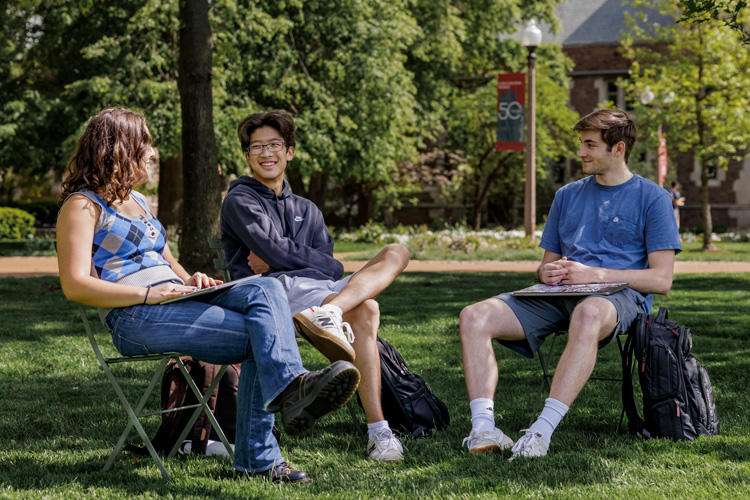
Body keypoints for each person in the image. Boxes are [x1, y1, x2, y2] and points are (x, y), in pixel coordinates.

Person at [56, 108, 361, 483]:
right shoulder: (82, 205)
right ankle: (265, 447)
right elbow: (74, 285)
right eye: (146, 143)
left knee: (265, 288)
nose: (152, 153)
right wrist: (147, 295)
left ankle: (289, 390)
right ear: (120, 147)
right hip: (134, 314)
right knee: (260, 333)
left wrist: (192, 278)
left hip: (179, 298)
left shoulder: (138, 201)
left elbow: (166, 261)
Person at [459, 109, 682, 459]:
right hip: (558, 294)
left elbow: (661, 279)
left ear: (618, 148)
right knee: (474, 316)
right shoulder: (567, 195)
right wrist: (543, 274)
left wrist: (596, 275)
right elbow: (546, 263)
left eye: (590, 145)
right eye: (581, 144)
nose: (581, 153)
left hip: (616, 298)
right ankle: (483, 430)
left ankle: (540, 432)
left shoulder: (653, 198)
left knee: (589, 313)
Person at [220, 111, 410, 462]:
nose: (266, 153)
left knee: (397, 252)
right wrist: (287, 259)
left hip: (322, 292)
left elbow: (326, 262)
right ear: (247, 156)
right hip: (271, 292)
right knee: (367, 309)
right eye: (256, 146)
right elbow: (277, 252)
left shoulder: (307, 209)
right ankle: (379, 431)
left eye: (274, 144)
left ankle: (331, 312)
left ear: (289, 152)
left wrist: (291, 257)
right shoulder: (240, 200)